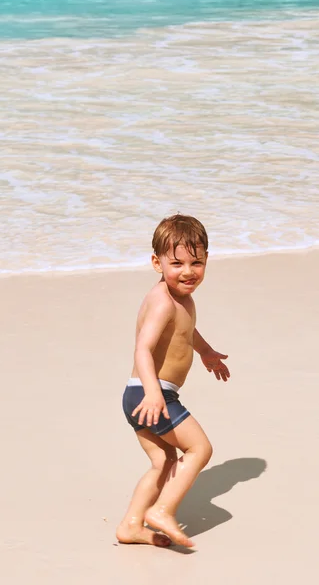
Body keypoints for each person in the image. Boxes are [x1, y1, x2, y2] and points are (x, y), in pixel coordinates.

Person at [116, 214, 230, 548]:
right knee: (200, 449)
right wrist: (153, 393)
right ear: (157, 262)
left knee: (163, 462)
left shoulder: (183, 301)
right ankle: (163, 510)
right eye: (176, 263)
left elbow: (186, 331)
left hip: (139, 395)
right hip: (151, 393)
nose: (188, 271)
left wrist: (206, 352)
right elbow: (143, 348)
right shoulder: (163, 301)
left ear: (207, 260)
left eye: (197, 262)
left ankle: (131, 525)